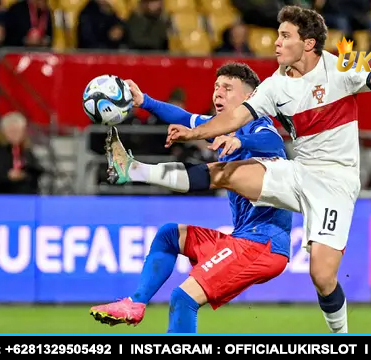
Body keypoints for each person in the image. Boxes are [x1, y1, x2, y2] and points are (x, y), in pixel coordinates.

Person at [105, 5, 371, 333]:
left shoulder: (338, 69)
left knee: (322, 276)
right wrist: (194, 131)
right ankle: (135, 171)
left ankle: (340, 338)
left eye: (285, 36)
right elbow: (234, 116)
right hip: (299, 171)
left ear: (308, 43)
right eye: (277, 34)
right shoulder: (274, 86)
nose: (276, 42)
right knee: (225, 173)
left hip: (336, 182)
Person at [89, 63, 294, 333]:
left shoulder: (259, 125)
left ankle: (135, 170)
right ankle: (135, 304)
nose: (217, 94)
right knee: (169, 235)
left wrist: (242, 143)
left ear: (249, 97)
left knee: (183, 298)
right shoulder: (223, 127)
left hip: (262, 244)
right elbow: (185, 117)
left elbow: (272, 142)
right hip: (244, 238)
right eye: (216, 87)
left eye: (227, 88)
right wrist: (143, 101)